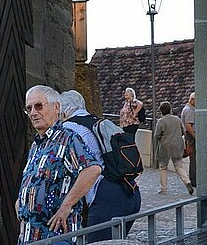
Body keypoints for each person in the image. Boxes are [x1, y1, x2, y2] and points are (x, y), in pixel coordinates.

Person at [16, 85, 101, 244]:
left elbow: (92, 170)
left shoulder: (68, 138)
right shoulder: (37, 145)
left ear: (56, 108)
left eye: (39, 106)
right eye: (29, 108)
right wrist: (21, 202)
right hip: (30, 234)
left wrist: (66, 206)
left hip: (56, 235)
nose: (33, 112)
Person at [60, 90, 141, 243]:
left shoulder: (69, 130)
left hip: (106, 199)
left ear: (63, 111)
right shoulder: (98, 122)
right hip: (130, 192)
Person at [155, 101, 194, 195]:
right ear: (170, 110)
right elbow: (183, 131)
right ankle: (187, 182)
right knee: (179, 165)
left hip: (165, 147)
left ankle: (163, 189)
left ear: (161, 111)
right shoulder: (177, 119)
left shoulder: (161, 121)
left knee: (163, 167)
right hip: (177, 145)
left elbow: (157, 135)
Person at [181, 92, 196, 187]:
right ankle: (193, 179)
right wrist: (195, 136)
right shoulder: (189, 110)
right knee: (194, 158)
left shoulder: (187, 109)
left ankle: (193, 178)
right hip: (191, 136)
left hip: (190, 136)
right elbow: (188, 125)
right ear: (192, 100)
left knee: (193, 158)